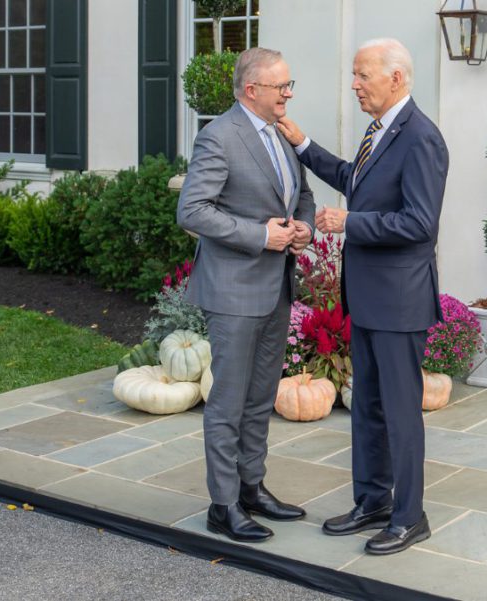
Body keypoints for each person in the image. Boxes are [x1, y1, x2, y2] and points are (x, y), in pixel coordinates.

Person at [276, 38, 448, 555]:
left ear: (395, 78)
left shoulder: (422, 138)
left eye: (362, 75)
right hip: (369, 299)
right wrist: (305, 145)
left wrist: (351, 222)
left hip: (398, 303)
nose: (354, 84)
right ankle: (372, 500)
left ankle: (409, 516)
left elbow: (420, 223)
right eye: (354, 74)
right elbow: (357, 181)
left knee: (399, 412)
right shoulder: (379, 132)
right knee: (368, 408)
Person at [177, 47, 315, 543]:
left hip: (275, 286)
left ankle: (253, 489)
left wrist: (303, 226)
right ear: (252, 90)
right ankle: (224, 504)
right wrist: (261, 235)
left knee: (260, 399)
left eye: (289, 84)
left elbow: (302, 193)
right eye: (282, 86)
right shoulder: (219, 136)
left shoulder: (282, 132)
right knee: (229, 403)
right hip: (234, 291)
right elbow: (192, 210)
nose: (289, 93)